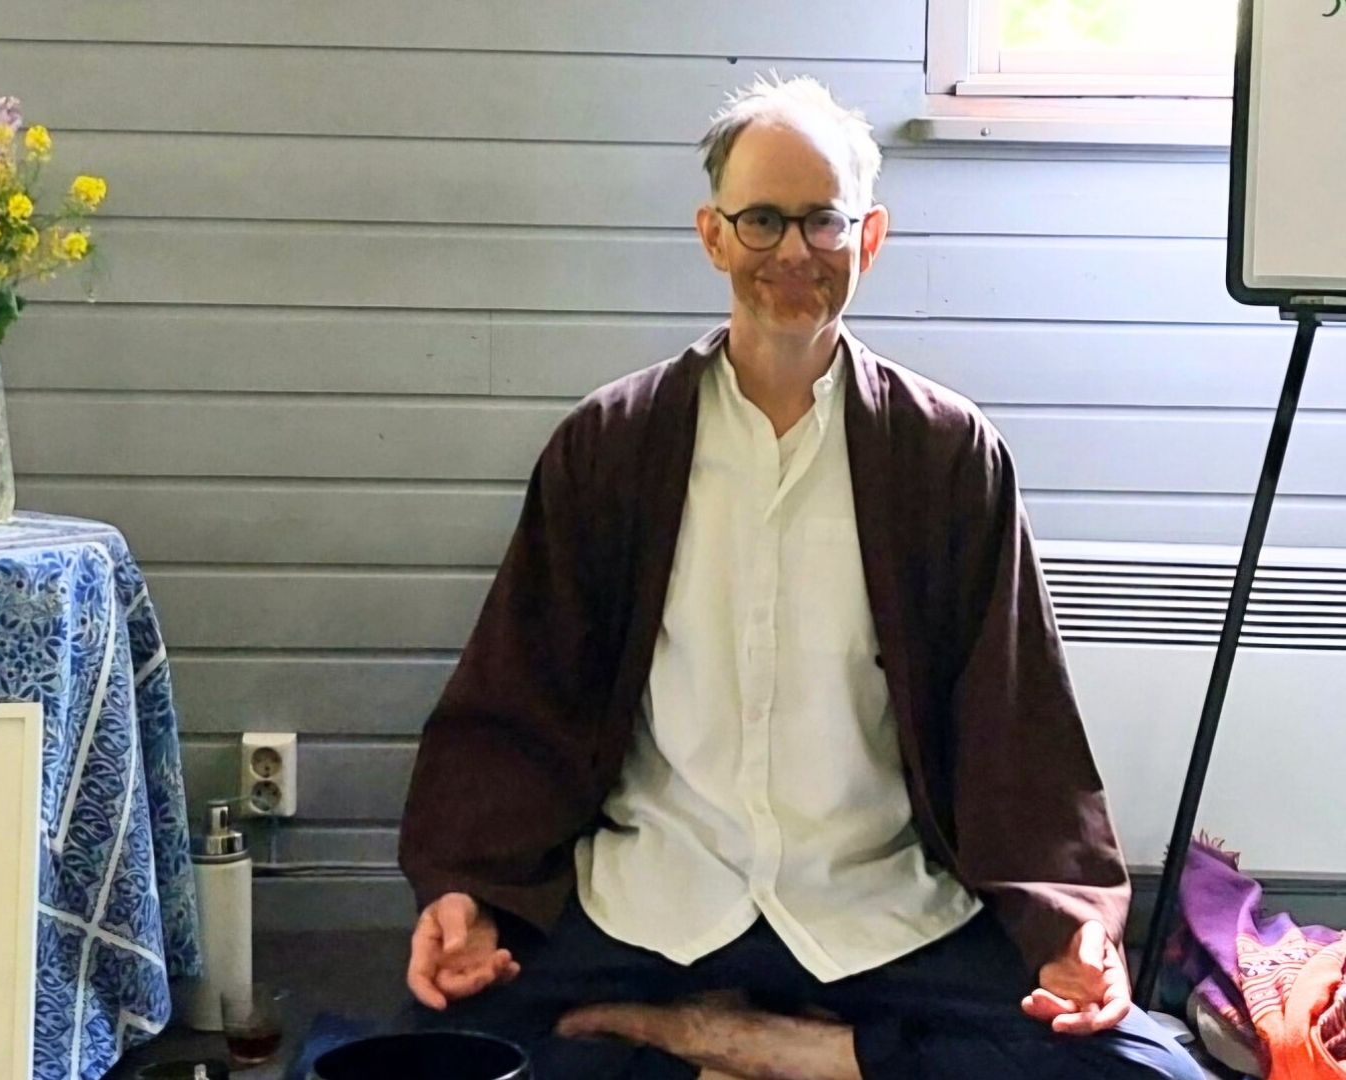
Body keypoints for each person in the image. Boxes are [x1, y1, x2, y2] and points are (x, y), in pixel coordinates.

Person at [395, 76, 1204, 1080]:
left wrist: (1070, 924)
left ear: (869, 239)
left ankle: (736, 1044)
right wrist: (467, 892)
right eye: (762, 221)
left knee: (1141, 1072)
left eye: (823, 221)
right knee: (438, 1047)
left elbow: (1014, 718)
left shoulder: (947, 455)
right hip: (657, 901)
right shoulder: (611, 445)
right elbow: (523, 689)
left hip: (873, 909)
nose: (792, 252)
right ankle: (812, 1051)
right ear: (713, 235)